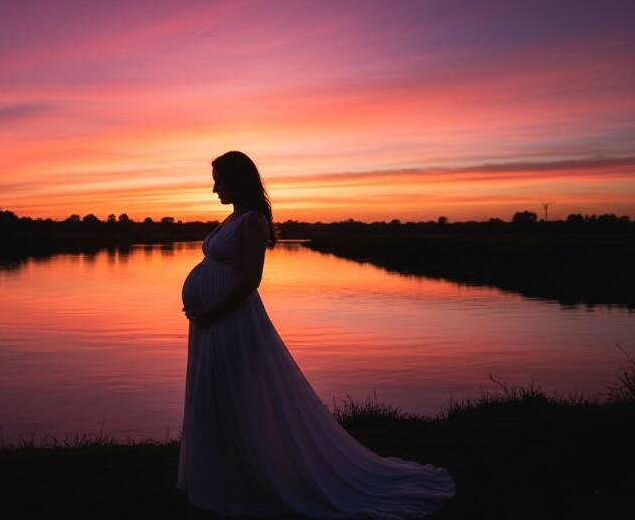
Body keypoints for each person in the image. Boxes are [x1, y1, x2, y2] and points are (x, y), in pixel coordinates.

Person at [177, 151, 455, 519]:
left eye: (220, 180)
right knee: (215, 391)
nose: (214, 188)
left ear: (238, 180)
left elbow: (250, 280)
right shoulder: (233, 218)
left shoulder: (253, 222)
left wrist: (211, 311)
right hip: (211, 321)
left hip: (230, 321)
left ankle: (250, 476)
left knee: (236, 392)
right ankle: (222, 473)